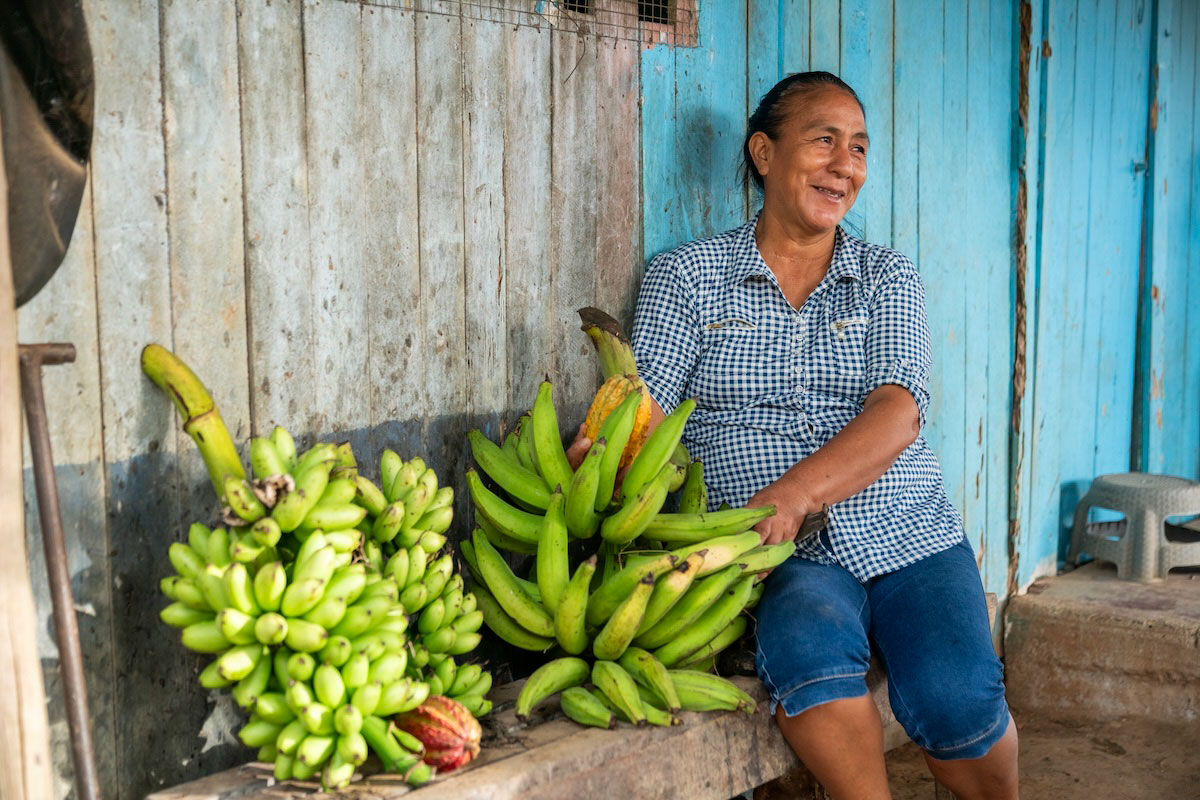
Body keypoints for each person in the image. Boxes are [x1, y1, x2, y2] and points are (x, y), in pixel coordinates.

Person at [571, 71, 1019, 799]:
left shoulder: (884, 277)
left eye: (860, 149)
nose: (846, 164)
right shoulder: (687, 278)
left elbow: (900, 408)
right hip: (776, 550)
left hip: (906, 527)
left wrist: (795, 492)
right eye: (824, 140)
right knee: (810, 657)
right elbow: (642, 411)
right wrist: (603, 464)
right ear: (764, 153)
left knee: (956, 696)